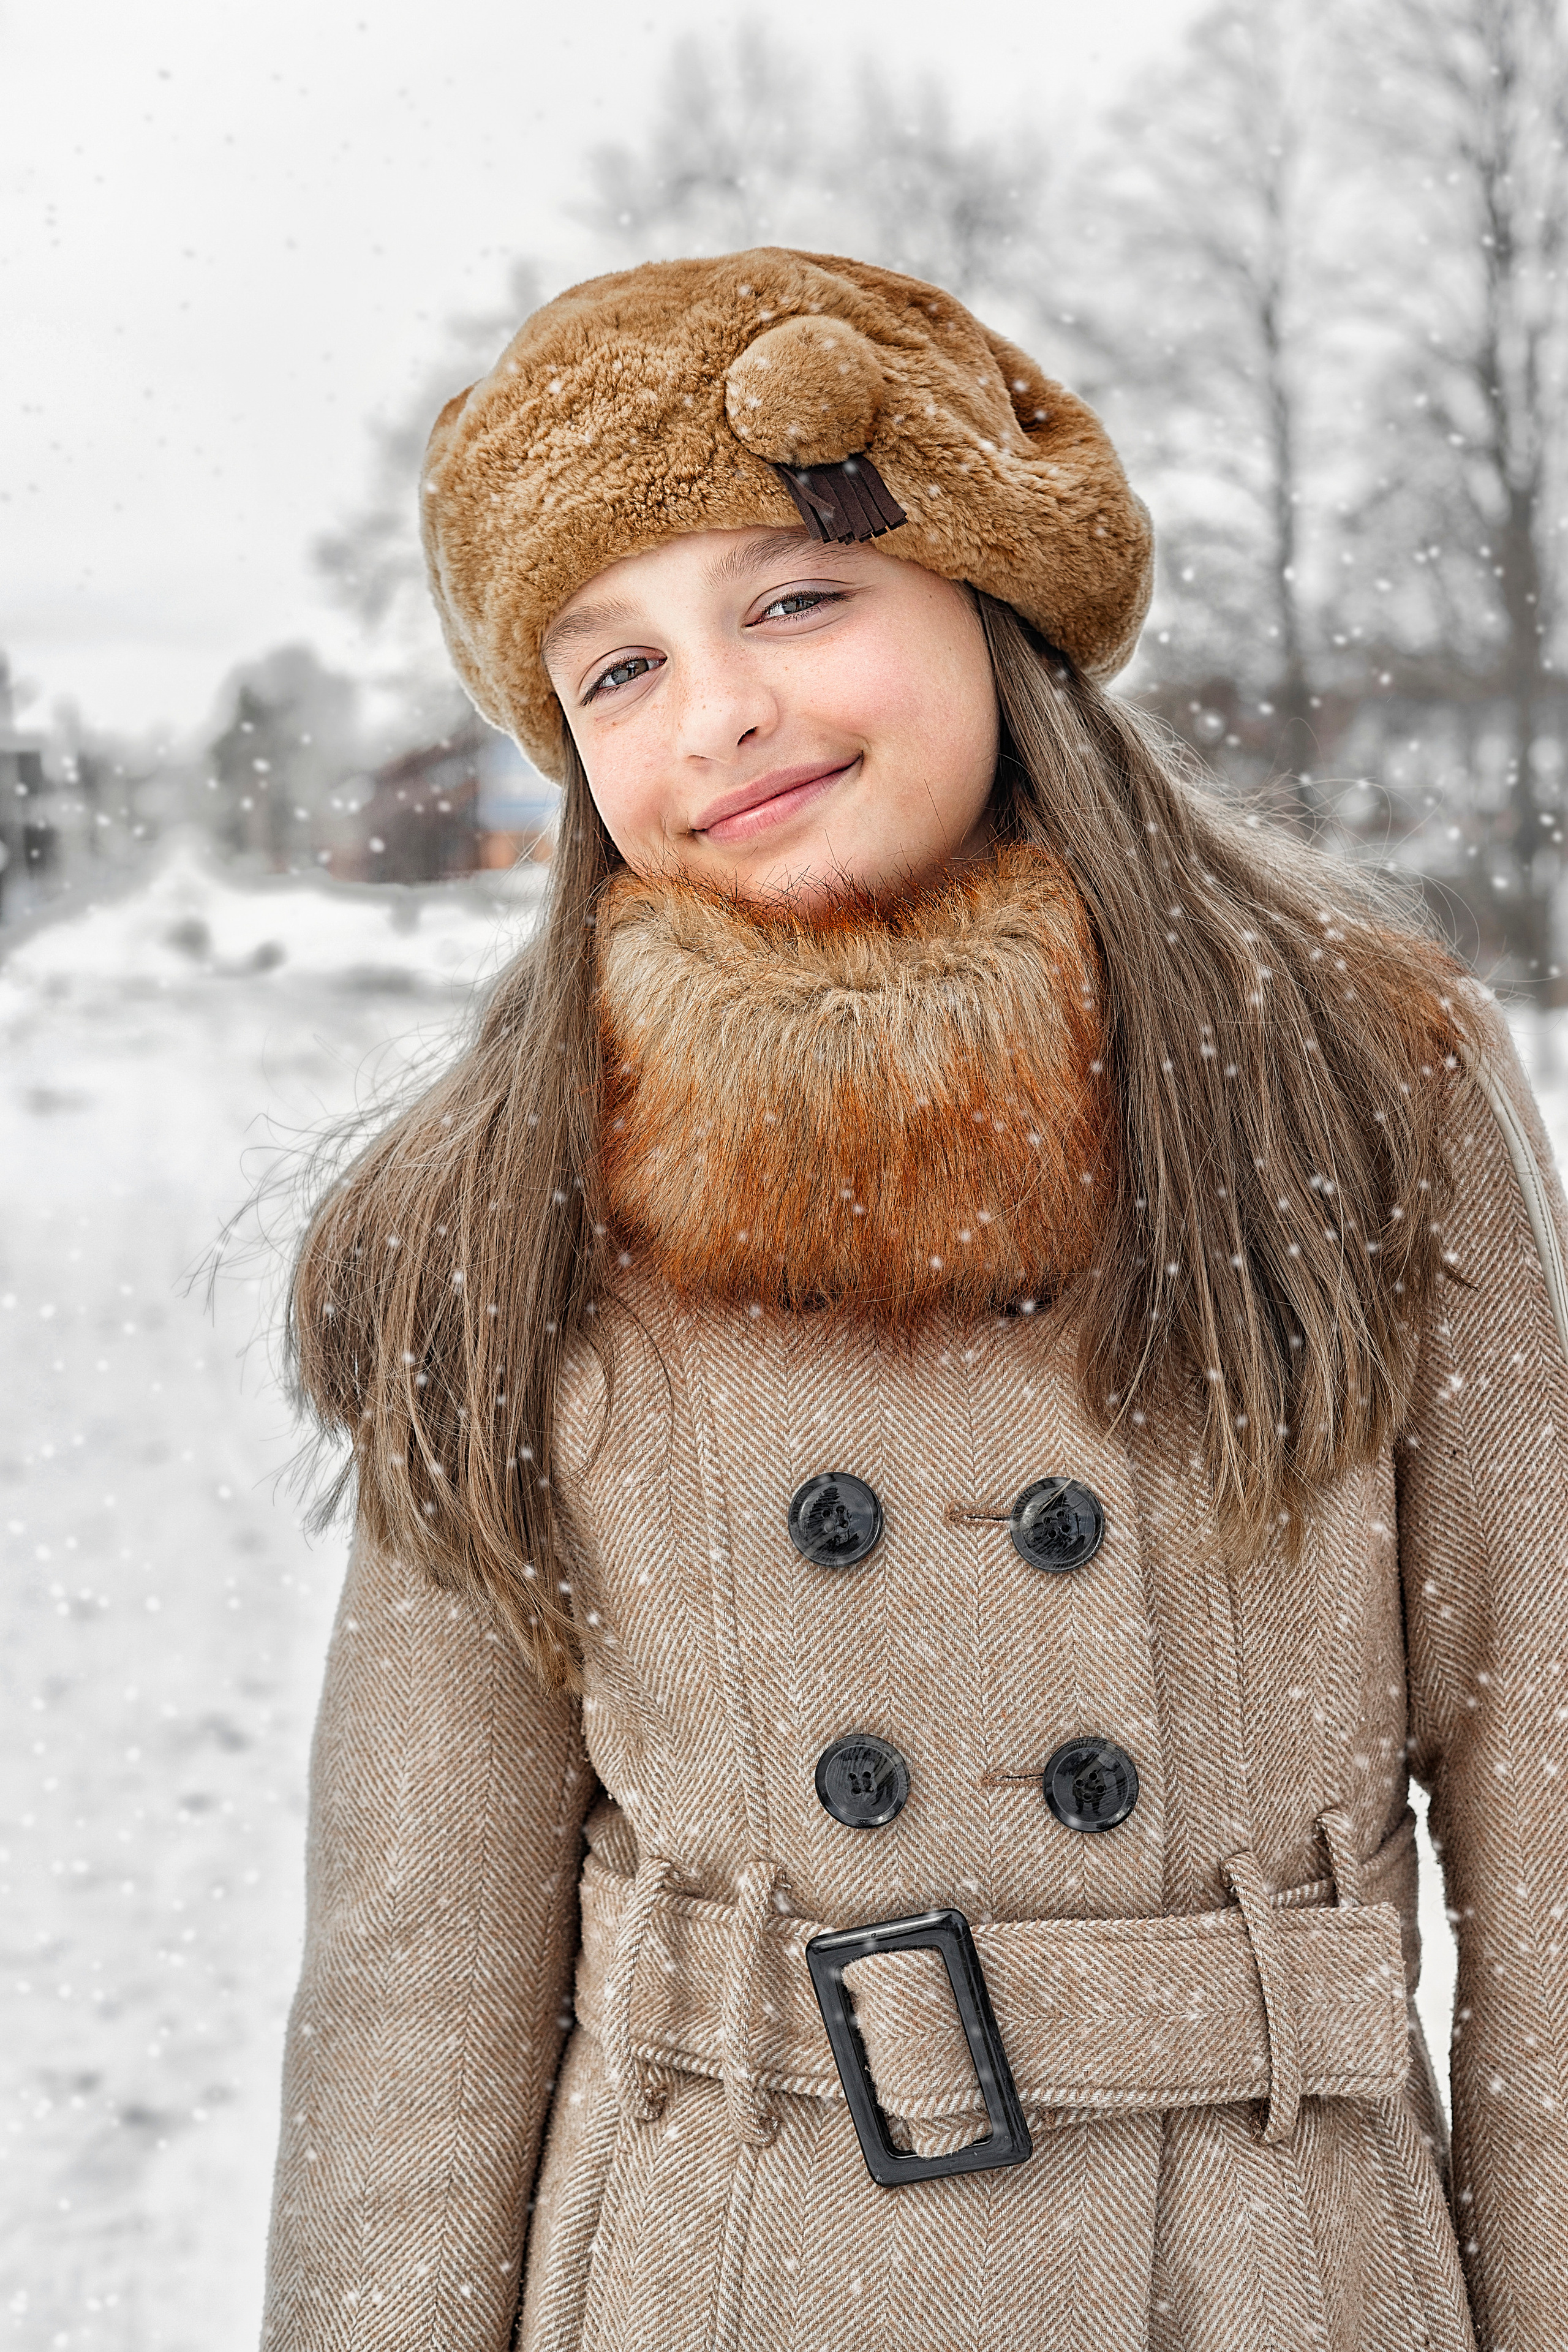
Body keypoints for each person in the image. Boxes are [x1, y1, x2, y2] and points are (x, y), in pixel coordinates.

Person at [261, 250, 1568, 2352]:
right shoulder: (501, 1198)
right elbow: (421, 1965)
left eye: (796, 598)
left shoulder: (1360, 1079)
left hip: (1272, 2274)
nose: (722, 713)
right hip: (721, 2273)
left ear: (993, 599)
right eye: (614, 671)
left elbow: (1550, 1808)